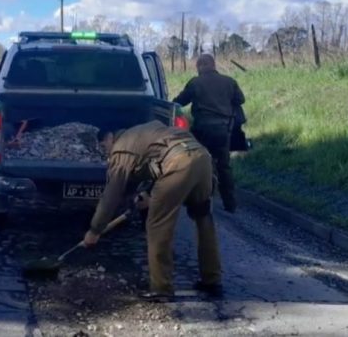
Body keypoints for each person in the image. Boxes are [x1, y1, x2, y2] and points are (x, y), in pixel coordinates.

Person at [83, 120, 223, 301]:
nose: (106, 152)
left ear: (110, 137)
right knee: (203, 219)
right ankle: (212, 280)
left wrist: (95, 229)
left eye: (104, 147)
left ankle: (161, 288)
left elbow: (111, 195)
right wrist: (147, 194)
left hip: (178, 163)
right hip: (202, 158)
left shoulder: (121, 148)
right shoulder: (144, 132)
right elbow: (157, 160)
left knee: (157, 225)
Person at [173, 54, 245, 213]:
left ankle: (199, 200)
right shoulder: (229, 82)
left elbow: (180, 101)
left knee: (198, 163)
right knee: (224, 166)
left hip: (202, 131)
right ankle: (230, 203)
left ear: (199, 66)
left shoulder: (195, 83)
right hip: (223, 130)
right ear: (214, 65)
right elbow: (240, 100)